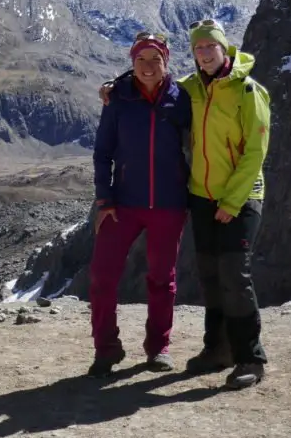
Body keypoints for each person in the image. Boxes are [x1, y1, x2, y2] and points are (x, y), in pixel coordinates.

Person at [98, 19, 272, 390]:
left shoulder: (245, 91)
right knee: (211, 276)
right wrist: (116, 84)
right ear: (191, 54)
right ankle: (217, 350)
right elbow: (147, 86)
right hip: (199, 197)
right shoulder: (191, 89)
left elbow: (256, 152)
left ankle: (250, 358)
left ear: (224, 48)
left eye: (211, 46)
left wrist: (232, 200)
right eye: (199, 48)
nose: (206, 53)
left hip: (233, 198)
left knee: (234, 277)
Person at [88, 31, 192, 378]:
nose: (148, 67)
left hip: (169, 204)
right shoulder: (118, 99)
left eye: (155, 60)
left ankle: (158, 348)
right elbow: (103, 153)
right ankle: (107, 348)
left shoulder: (182, 99)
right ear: (132, 63)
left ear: (166, 63)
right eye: (141, 60)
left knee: (162, 279)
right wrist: (104, 199)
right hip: (123, 204)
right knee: (103, 277)